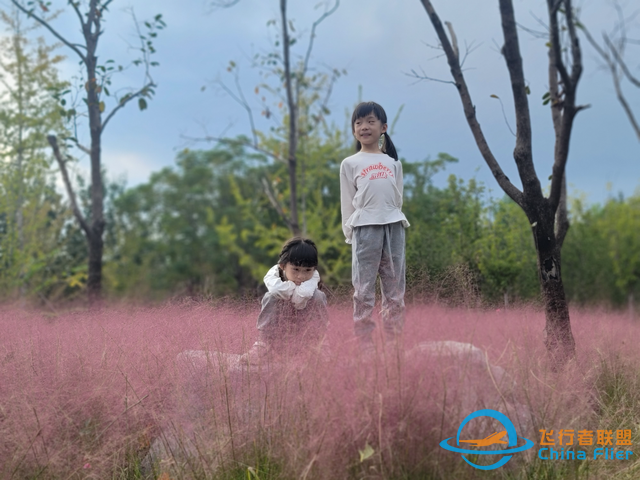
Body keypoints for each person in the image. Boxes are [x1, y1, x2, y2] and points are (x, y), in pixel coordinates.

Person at [339, 101, 410, 351]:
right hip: (364, 228)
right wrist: (350, 233)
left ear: (383, 127)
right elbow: (347, 202)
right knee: (363, 290)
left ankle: (394, 344)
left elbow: (397, 198)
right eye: (358, 123)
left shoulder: (394, 164)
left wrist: (390, 216)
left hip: (393, 226)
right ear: (353, 130)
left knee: (394, 291)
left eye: (370, 121)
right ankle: (364, 345)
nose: (364, 127)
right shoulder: (350, 163)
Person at [240, 237, 329, 364]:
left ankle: (320, 346)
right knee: (270, 296)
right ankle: (263, 345)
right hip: (277, 340)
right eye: (296, 269)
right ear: (283, 266)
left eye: (308, 270)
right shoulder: (276, 282)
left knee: (319, 296)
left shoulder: (312, 285)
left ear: (314, 269)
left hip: (307, 341)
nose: (301, 276)